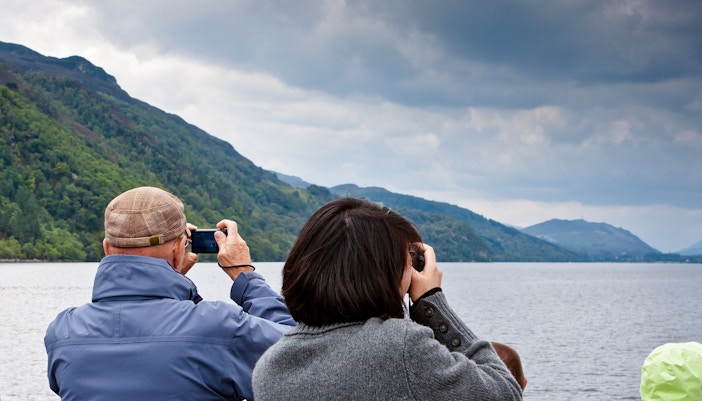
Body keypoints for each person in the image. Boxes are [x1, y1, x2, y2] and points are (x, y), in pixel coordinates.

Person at [252, 198, 522, 400]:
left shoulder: (270, 365)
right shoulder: (399, 346)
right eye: (408, 266)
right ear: (382, 275)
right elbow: (505, 391)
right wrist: (432, 302)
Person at [45, 186, 295, 401]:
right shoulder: (220, 326)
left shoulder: (62, 332)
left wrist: (174, 281)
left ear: (107, 248)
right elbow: (300, 351)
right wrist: (244, 274)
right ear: (179, 249)